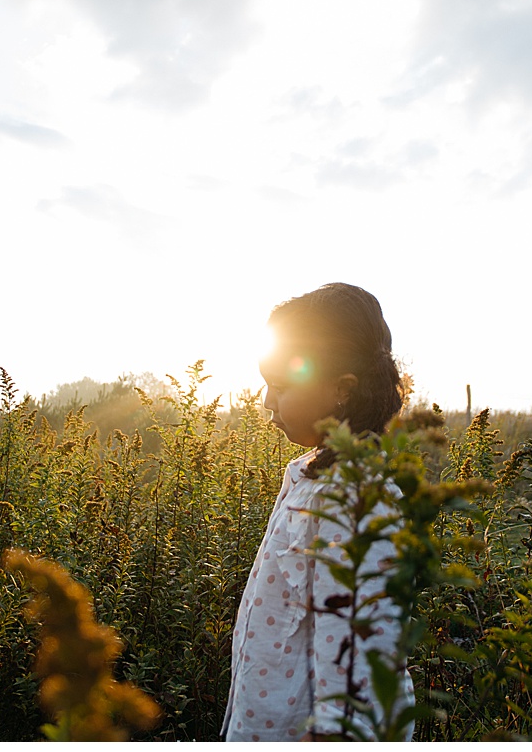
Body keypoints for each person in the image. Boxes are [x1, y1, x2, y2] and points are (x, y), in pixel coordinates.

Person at [221, 282, 415, 742]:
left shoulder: (356, 499)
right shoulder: (310, 476)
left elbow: (361, 650)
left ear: (341, 391)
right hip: (266, 720)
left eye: (282, 386)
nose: (266, 401)